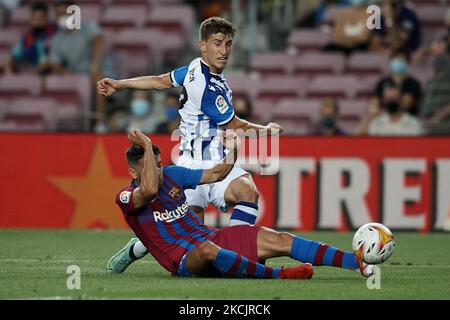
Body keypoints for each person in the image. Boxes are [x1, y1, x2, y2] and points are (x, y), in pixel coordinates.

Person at [106, 128, 376, 279]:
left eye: (160, 163)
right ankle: (279, 276)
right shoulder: (127, 198)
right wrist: (149, 142)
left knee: (280, 239)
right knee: (209, 250)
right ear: (133, 173)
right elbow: (150, 189)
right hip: (185, 260)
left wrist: (233, 148)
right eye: (152, 165)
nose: (160, 170)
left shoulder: (174, 175)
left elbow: (217, 174)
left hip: (213, 237)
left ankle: (356, 262)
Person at [97, 17, 284, 227]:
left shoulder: (194, 68)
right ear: (202, 45)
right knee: (193, 237)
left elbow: (160, 81)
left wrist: (119, 84)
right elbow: (237, 126)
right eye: (217, 43)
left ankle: (238, 251)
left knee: (248, 192)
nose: (223, 50)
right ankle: (137, 249)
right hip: (193, 166)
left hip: (220, 159)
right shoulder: (205, 87)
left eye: (228, 44)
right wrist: (268, 130)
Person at [50, 0, 115, 132]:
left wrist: (94, 66)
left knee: (99, 80)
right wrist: (63, 71)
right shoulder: (57, 39)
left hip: (100, 71)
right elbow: (54, 63)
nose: (62, 17)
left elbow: (98, 42)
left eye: (65, 13)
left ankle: (100, 124)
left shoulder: (87, 27)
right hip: (78, 76)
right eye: (59, 14)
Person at [4, 2, 57, 74]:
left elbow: (54, 59)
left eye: (40, 18)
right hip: (32, 73)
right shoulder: (27, 38)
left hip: (51, 73)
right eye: (35, 18)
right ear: (31, 19)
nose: (37, 21)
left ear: (46, 19)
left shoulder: (54, 35)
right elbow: (13, 57)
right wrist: (9, 70)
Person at [372, 50, 422, 116]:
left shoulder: (413, 83)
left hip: (406, 118)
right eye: (395, 59)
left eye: (401, 59)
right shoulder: (382, 82)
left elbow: (406, 103)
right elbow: (375, 102)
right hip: (384, 118)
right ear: (391, 61)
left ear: (408, 63)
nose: (398, 61)